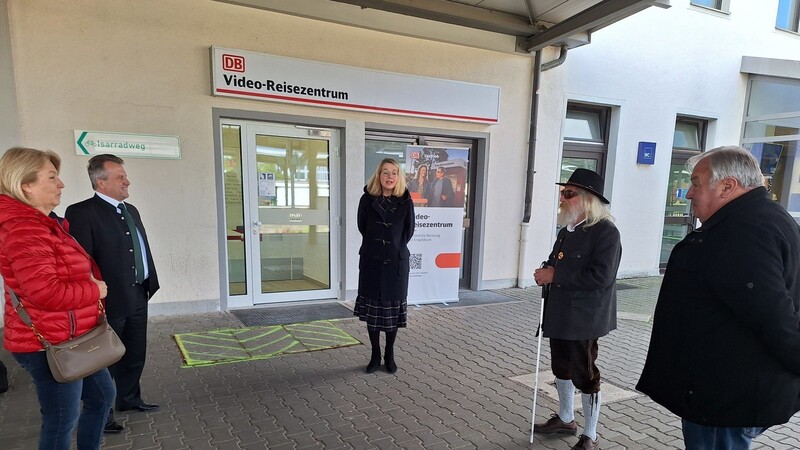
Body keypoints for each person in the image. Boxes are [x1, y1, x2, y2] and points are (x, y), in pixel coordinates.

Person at [636, 146, 800, 450]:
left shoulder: (744, 231)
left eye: (696, 182)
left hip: (725, 397)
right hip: (728, 390)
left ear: (727, 186)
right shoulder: (761, 218)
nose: (688, 193)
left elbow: (774, 316)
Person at [0, 147, 115, 450]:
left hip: (72, 334)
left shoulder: (44, 221)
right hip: (48, 342)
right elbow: (44, 293)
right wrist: (95, 290)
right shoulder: (25, 228)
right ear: (26, 185)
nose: (61, 184)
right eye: (51, 177)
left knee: (102, 397)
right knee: (61, 420)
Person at [65, 154, 160, 434]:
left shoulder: (131, 210)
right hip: (108, 300)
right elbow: (80, 261)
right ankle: (102, 413)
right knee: (103, 358)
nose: (127, 181)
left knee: (134, 352)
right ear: (101, 182)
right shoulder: (82, 212)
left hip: (137, 294)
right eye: (120, 177)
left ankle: (129, 399)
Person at [532, 168, 622, 450]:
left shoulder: (606, 233)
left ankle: (590, 435)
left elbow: (602, 277)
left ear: (587, 199)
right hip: (559, 313)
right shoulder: (566, 231)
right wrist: (546, 270)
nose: (563, 197)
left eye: (568, 193)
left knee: (585, 375)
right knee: (560, 367)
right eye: (563, 192)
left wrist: (555, 276)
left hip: (585, 317)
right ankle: (566, 418)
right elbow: (555, 262)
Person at [355, 158, 415, 374]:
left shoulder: (406, 201)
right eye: (385, 172)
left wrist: (393, 248)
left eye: (394, 173)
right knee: (373, 314)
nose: (390, 177)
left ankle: (389, 354)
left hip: (395, 264)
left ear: (399, 177)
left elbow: (408, 232)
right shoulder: (367, 200)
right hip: (372, 261)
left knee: (390, 315)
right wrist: (378, 247)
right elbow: (363, 227)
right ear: (378, 176)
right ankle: (374, 354)